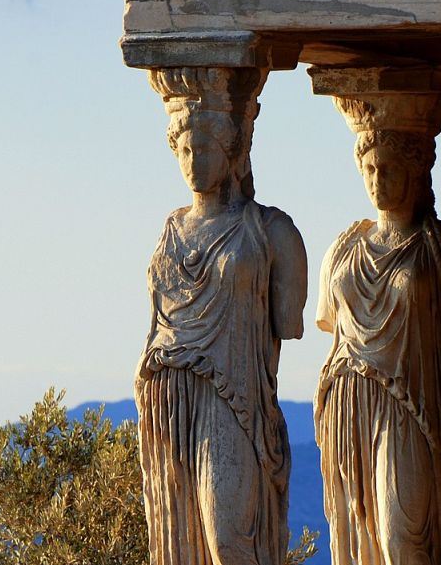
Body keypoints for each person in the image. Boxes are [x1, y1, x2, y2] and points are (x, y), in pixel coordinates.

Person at [136, 67, 307, 565]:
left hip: (232, 398)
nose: (193, 161)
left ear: (231, 148)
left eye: (205, 147)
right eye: (185, 150)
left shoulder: (271, 232)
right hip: (167, 395)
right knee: (178, 545)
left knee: (229, 539)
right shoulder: (170, 229)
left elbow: (288, 322)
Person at [315, 127, 441, 565]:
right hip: (348, 403)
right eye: (370, 168)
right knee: (359, 538)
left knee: (401, 538)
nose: (377, 179)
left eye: (389, 169)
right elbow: (330, 322)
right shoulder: (344, 246)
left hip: (413, 407)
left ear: (416, 172)